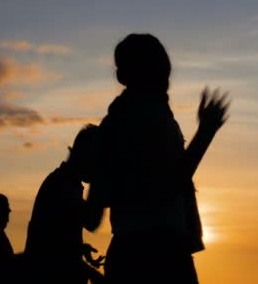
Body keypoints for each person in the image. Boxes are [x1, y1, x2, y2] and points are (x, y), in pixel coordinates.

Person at [86, 33, 230, 284]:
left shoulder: (116, 122)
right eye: (159, 70)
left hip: (133, 251)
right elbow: (170, 182)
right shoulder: (144, 116)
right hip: (158, 254)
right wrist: (205, 134)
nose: (166, 79)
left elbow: (93, 213)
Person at [25, 124, 105, 284]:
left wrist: (78, 249)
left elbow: (55, 240)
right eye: (98, 160)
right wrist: (101, 179)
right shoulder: (62, 186)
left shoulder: (63, 183)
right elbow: (91, 221)